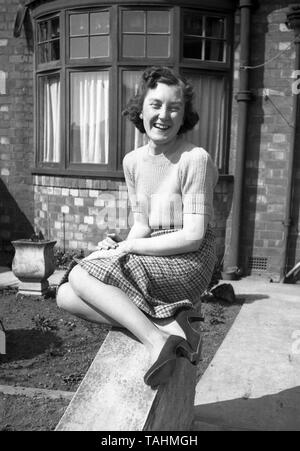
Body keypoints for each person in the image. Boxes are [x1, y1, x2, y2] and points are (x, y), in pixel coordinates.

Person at [56, 66, 219, 389]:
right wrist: (118, 248)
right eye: (156, 104)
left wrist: (129, 248)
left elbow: (192, 236)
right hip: (155, 251)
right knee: (64, 295)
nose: (164, 115)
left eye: (174, 107)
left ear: (184, 114)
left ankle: (156, 340)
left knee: (80, 273)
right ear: (140, 108)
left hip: (190, 260)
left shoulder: (194, 158)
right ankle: (167, 324)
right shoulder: (133, 161)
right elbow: (142, 224)